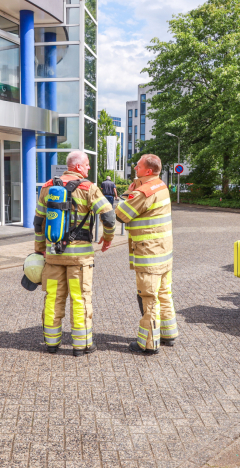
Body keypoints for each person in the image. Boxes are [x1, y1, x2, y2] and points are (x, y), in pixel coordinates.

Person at [33, 152, 117, 356]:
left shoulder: (47, 187)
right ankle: (82, 345)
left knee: (53, 297)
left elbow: (38, 222)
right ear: (78, 166)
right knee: (80, 299)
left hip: (53, 255)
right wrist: (108, 237)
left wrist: (40, 248)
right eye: (87, 164)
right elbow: (109, 217)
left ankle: (51, 343)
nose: (89, 168)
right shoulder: (89, 188)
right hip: (80, 259)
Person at [113, 154, 177, 354]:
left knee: (148, 298)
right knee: (164, 293)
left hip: (149, 254)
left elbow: (121, 214)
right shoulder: (161, 185)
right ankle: (168, 334)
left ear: (148, 171)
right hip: (164, 252)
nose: (135, 168)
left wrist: (128, 192)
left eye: (138, 166)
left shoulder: (144, 192)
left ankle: (149, 344)